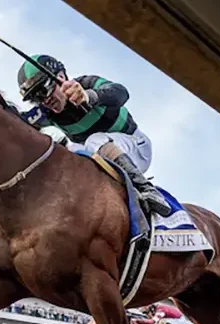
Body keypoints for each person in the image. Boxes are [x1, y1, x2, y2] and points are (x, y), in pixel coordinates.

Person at [17, 54, 171, 216]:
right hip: (101, 155)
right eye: (35, 98)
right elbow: (16, 120)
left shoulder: (87, 83)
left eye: (43, 91)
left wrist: (89, 96)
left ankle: (146, 188)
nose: (44, 101)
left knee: (94, 140)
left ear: (60, 77)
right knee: (67, 150)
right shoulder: (45, 113)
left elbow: (121, 93)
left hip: (136, 147)